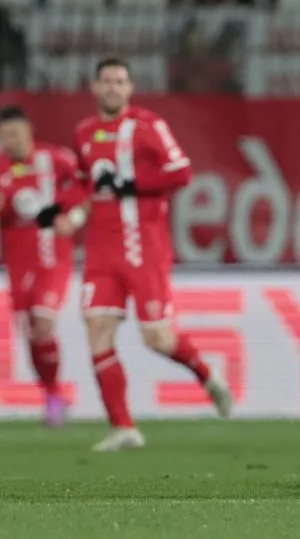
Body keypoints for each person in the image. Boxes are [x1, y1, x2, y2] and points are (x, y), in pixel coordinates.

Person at [56, 57, 233, 452]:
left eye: (120, 81)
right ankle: (123, 427)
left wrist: (128, 181)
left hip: (143, 248)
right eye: (106, 81)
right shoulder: (84, 132)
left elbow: (180, 171)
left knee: (157, 337)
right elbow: (83, 183)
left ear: (130, 88)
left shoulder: (147, 126)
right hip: (101, 251)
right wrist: (75, 213)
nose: (113, 88)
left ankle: (206, 374)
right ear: (95, 88)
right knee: (97, 331)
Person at [0, 106, 81, 427]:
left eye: (15, 133)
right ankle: (52, 394)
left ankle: (53, 398)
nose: (10, 140)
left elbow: (83, 188)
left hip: (53, 257)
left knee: (43, 322)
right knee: (31, 333)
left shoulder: (56, 158)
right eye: (4, 135)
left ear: (29, 131)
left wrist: (72, 218)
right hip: (19, 262)